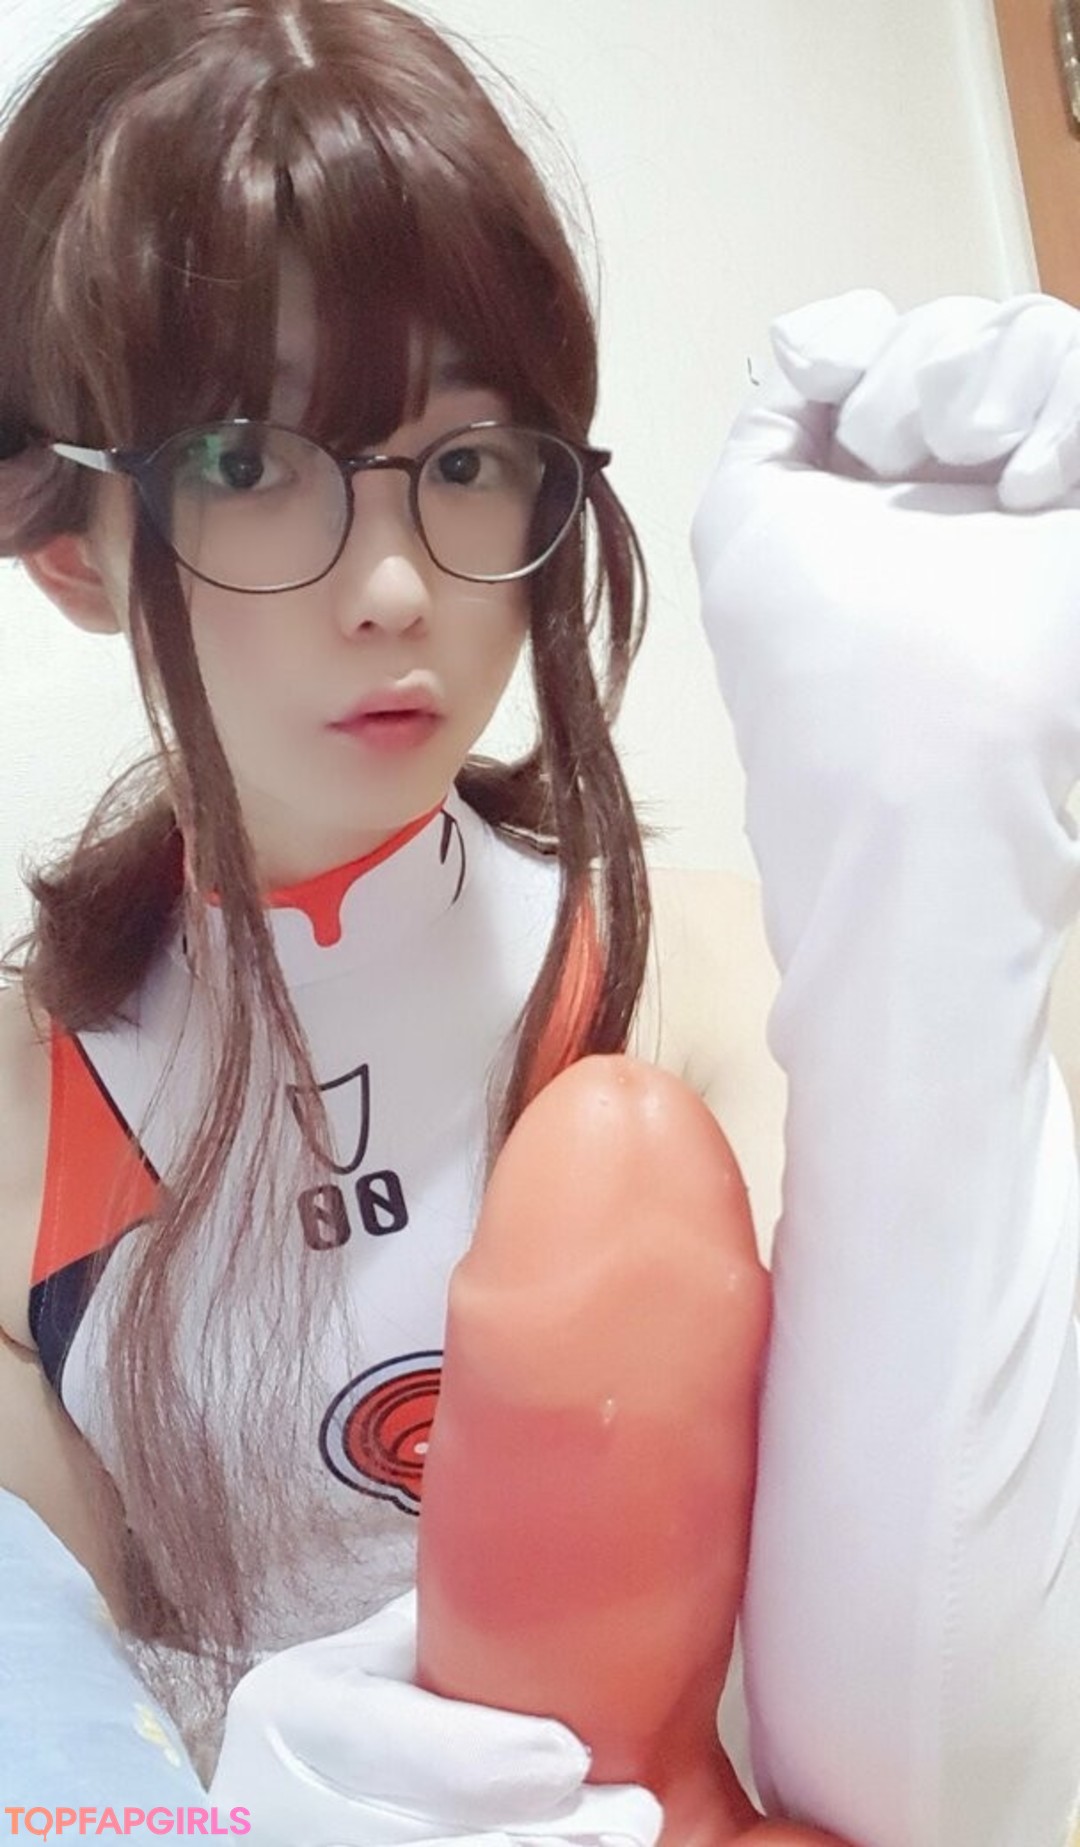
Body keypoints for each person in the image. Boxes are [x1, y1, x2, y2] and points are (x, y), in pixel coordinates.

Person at [0, 2, 1078, 1844]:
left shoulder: (716, 985)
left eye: (469, 455)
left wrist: (924, 854)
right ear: (65, 545)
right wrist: (223, 1830)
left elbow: (958, 1769)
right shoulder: (24, 1124)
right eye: (250, 463)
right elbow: (61, 1765)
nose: (395, 583)